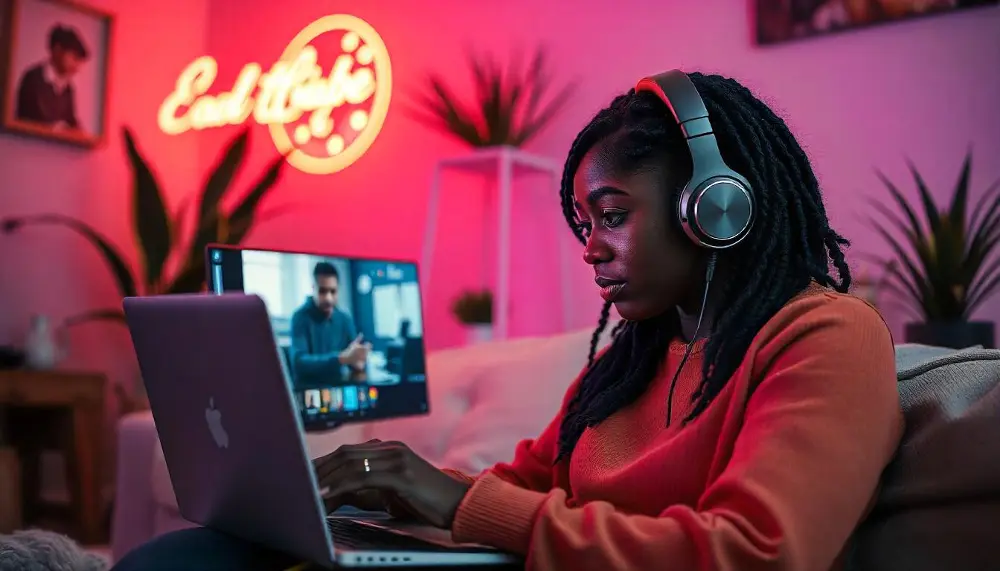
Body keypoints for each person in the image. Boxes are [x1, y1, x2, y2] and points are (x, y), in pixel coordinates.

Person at [111, 71, 903, 571]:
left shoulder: (825, 338)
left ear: (716, 207)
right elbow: (520, 486)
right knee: (196, 553)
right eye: (583, 223)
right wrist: (399, 486)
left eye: (612, 215)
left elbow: (755, 553)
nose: (590, 248)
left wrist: (457, 502)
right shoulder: (632, 360)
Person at [288, 262, 370, 389]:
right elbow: (299, 363)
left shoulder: (344, 318)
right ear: (313, 288)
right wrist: (341, 359)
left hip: (339, 391)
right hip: (308, 393)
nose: (328, 298)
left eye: (333, 291)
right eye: (322, 291)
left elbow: (353, 359)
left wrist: (358, 361)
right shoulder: (299, 317)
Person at [15, 24, 88, 130]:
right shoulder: (32, 79)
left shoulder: (68, 89)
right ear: (57, 51)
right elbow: (25, 120)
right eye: (74, 58)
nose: (76, 67)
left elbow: (71, 122)